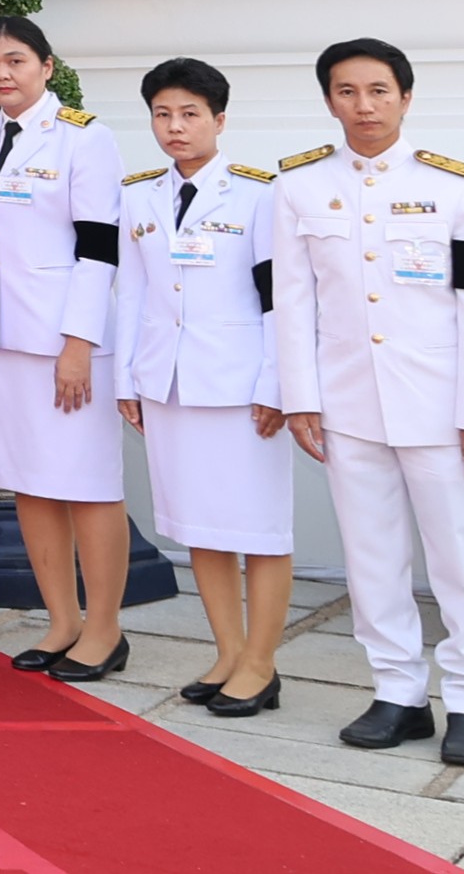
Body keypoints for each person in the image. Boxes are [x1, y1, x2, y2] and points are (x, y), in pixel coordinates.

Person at [273, 36, 464, 767]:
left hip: (441, 409)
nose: (363, 106)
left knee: (461, 559)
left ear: (406, 97)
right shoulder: (300, 187)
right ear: (328, 100)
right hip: (348, 407)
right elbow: (291, 300)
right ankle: (397, 693)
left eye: (378, 91)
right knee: (371, 557)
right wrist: (301, 398)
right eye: (347, 91)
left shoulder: (457, 186)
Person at [114, 57, 289, 715]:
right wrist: (125, 377)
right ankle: (228, 650)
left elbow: (281, 300)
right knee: (200, 526)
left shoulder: (260, 194)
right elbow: (130, 291)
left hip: (243, 387)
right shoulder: (139, 195)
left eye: (189, 114)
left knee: (260, 528)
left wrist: (280, 383)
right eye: (163, 114)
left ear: (220, 119)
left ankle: (262, 663)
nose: (175, 127)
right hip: (168, 381)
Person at [0, 14, 127, 679]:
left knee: (87, 485)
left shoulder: (85, 140)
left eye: (16, 61)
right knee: (28, 483)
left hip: (63, 338)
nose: (2, 73)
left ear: (47, 67)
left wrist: (78, 342)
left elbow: (100, 246)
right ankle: (62, 620)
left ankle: (106, 628)